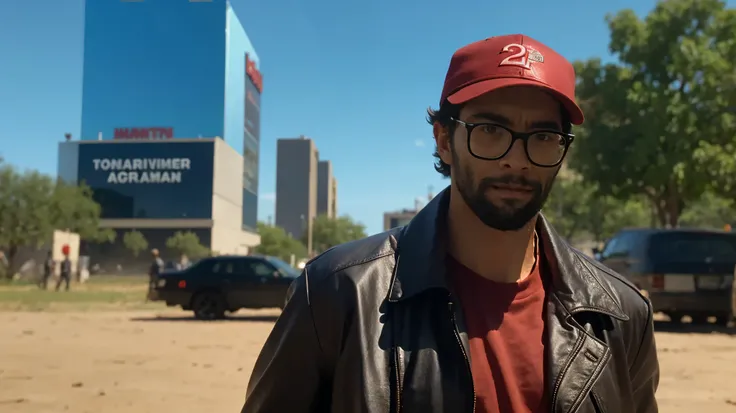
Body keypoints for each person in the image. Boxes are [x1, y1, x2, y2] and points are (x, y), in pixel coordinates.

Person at [242, 34, 659, 413]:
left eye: (544, 136)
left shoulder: (619, 314)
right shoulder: (338, 294)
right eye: (491, 130)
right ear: (444, 139)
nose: (517, 158)